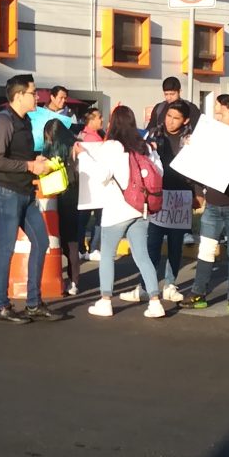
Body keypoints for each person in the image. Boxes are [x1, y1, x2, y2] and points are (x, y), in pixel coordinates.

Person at [0, 74, 61, 323]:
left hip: (25, 192)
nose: (38, 96)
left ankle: (33, 302)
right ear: (19, 96)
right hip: (6, 192)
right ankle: (1, 306)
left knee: (41, 242)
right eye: (33, 92)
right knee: (6, 250)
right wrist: (30, 166)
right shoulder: (3, 121)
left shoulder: (26, 121)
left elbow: (22, 155)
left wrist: (37, 160)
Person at [87, 106, 166, 319]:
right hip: (141, 209)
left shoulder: (111, 146)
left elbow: (102, 175)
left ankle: (105, 301)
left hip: (116, 209)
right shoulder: (145, 147)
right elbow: (158, 172)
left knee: (107, 256)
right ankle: (155, 302)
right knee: (142, 256)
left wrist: (84, 157)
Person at [181, 96, 229, 313]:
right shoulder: (214, 137)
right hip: (213, 203)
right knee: (206, 249)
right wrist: (190, 145)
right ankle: (198, 292)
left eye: (222, 114)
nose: (218, 117)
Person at [145, 99, 194, 303]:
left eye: (176, 118)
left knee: (175, 244)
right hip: (158, 193)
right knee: (153, 243)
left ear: (185, 120)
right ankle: (147, 284)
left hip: (181, 195)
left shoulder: (190, 139)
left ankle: (170, 284)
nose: (171, 122)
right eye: (168, 117)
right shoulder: (155, 134)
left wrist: (198, 192)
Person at [42, 118, 81, 296]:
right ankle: (74, 282)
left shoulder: (50, 149)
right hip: (73, 197)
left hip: (54, 197)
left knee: (57, 241)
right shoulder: (76, 147)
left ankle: (58, 277)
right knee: (72, 242)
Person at [76, 107, 105, 262]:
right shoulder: (93, 138)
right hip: (97, 184)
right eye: (99, 117)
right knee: (99, 219)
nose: (102, 120)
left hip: (85, 185)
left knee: (83, 219)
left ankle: (81, 248)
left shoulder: (85, 135)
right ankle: (93, 248)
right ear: (91, 120)